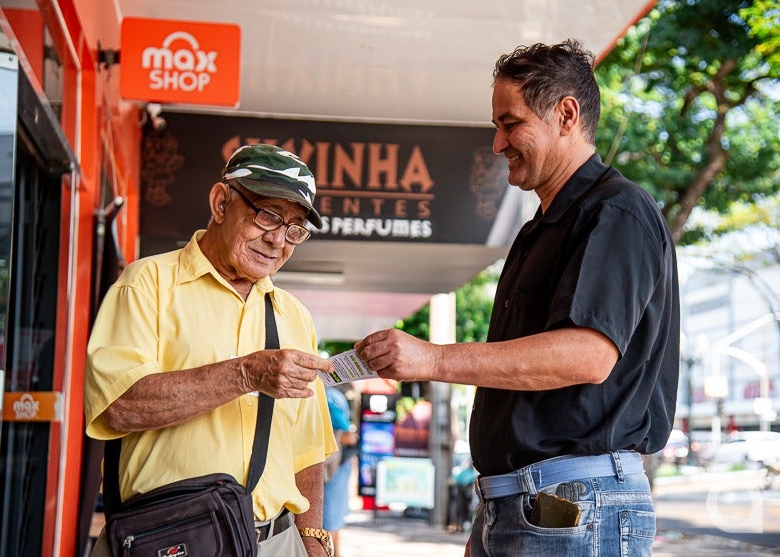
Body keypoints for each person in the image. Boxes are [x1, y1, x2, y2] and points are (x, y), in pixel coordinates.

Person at [356, 40, 679, 557]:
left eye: (510, 124)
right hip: (524, 505)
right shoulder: (540, 229)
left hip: (573, 505)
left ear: (566, 115)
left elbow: (587, 355)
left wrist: (432, 358)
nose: (497, 144)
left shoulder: (618, 211)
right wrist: (491, 513)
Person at [85, 144, 338, 557]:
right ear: (221, 203)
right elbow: (118, 405)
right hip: (168, 541)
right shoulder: (147, 284)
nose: (277, 240)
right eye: (268, 215)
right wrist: (244, 374)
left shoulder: (295, 316)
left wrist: (315, 543)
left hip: (277, 542)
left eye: (294, 230)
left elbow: (307, 450)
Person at [322, 386, 359, 557]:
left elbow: (345, 431)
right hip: (334, 465)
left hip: (332, 467)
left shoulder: (329, 396)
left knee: (329, 523)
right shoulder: (331, 395)